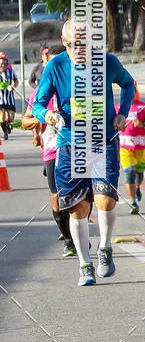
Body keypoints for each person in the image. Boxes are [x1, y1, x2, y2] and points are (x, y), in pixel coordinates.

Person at [33, 19, 135, 287]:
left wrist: (123, 113)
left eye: (85, 44)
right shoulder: (56, 66)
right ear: (64, 43)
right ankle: (84, 264)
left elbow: (128, 84)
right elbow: (38, 104)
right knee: (78, 210)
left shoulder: (108, 62)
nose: (79, 49)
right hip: (70, 145)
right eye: (72, 44)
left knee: (105, 201)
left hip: (104, 141)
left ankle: (105, 248)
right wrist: (49, 115)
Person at [21, 44, 76, 256]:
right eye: (49, 63)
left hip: (76, 144)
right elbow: (25, 121)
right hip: (52, 150)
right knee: (56, 196)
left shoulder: (74, 83)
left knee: (83, 195)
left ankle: (77, 228)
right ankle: (70, 240)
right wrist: (44, 117)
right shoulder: (39, 92)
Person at [116, 83, 145, 214]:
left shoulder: (142, 107)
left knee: (139, 174)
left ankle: (138, 187)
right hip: (124, 147)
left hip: (141, 146)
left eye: (131, 91)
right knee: (130, 173)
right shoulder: (117, 108)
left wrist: (143, 123)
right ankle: (133, 203)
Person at [0, 53, 18, 139]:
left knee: (11, 117)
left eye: (4, 64)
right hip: (0, 99)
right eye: (1, 64)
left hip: (9, 98)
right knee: (2, 115)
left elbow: (16, 80)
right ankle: (5, 134)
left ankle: (7, 124)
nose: (2, 66)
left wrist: (14, 86)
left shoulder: (10, 72)